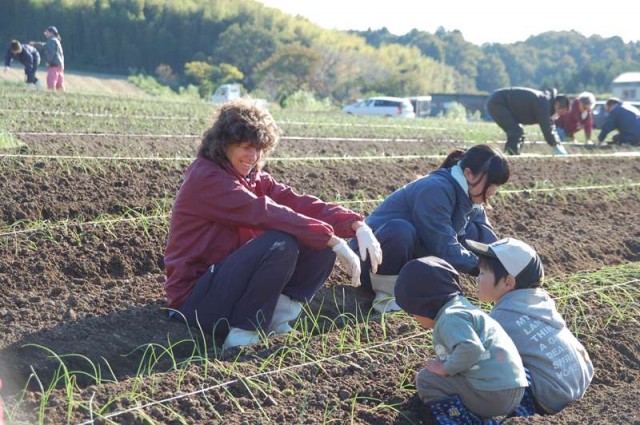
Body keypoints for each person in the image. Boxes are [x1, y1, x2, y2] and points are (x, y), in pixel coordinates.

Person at [164, 98, 382, 350]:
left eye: (259, 149)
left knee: (315, 243)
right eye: (246, 147)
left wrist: (356, 225)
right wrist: (332, 239)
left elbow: (299, 204)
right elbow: (263, 212)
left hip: (227, 288)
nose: (253, 156)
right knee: (281, 243)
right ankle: (244, 334)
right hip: (195, 301)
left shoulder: (253, 178)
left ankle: (277, 322)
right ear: (224, 143)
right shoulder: (207, 177)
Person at [349, 145, 510, 313]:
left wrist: (503, 265)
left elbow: (487, 240)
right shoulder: (435, 189)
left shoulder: (472, 200)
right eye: (491, 183)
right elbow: (444, 246)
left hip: (409, 259)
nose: (493, 191)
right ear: (469, 174)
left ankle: (410, 290)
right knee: (401, 230)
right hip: (369, 263)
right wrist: (482, 268)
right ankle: (387, 300)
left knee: (472, 233)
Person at [467, 238, 594, 415]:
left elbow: (473, 356)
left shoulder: (501, 318)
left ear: (508, 282)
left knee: (487, 368)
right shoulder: (540, 301)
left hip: (550, 396)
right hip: (578, 379)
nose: (477, 279)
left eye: (482, 273)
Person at [394, 256, 528, 421]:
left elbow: (471, 348)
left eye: (413, 312)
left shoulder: (450, 319)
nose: (415, 318)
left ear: (424, 305)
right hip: (515, 388)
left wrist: (445, 369)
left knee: (426, 380)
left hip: (493, 394)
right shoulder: (463, 308)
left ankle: (460, 419)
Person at [486, 87, 570, 156]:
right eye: (561, 112)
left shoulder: (546, 103)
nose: (559, 115)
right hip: (498, 102)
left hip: (499, 101)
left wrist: (557, 143)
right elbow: (546, 127)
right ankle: (510, 156)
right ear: (557, 104)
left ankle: (513, 154)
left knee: (519, 132)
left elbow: (550, 125)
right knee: (516, 132)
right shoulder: (543, 103)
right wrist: (556, 145)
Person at [30, 26, 64, 91]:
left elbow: (52, 52)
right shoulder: (56, 41)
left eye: (47, 32)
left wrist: (49, 62)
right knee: (60, 85)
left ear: (51, 33)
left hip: (54, 65)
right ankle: (62, 97)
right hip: (60, 65)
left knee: (51, 81)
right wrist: (35, 44)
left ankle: (51, 96)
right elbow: (45, 45)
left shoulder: (51, 40)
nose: (45, 34)